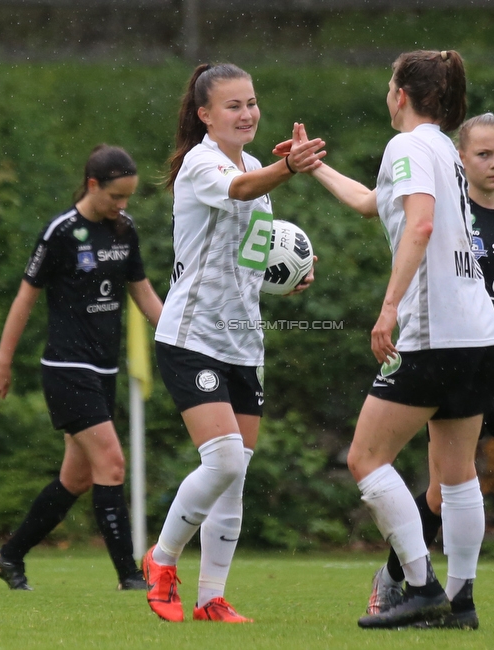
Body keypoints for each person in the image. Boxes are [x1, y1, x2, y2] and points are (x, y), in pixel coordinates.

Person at [302, 50, 494, 629]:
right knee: (458, 471)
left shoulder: (409, 146)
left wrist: (388, 308)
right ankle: (460, 603)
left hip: (433, 332)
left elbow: (419, 223)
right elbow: (373, 203)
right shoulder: (441, 147)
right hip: (478, 334)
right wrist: (313, 166)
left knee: (366, 458)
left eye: (390, 85)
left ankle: (419, 585)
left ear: (401, 94)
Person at [368, 112, 494, 621]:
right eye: (484, 154)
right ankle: (398, 577)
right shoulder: (454, 215)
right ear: (460, 158)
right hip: (464, 357)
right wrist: (481, 324)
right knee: (447, 485)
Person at [142, 63, 325, 624]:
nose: (246, 113)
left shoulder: (251, 165)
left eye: (251, 103)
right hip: (191, 336)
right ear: (204, 114)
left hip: (244, 343)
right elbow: (240, 188)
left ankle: (210, 599)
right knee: (220, 460)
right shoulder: (202, 163)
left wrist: (287, 274)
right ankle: (162, 558)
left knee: (235, 474)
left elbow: (248, 251)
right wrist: (287, 167)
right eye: (232, 106)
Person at [0, 144, 164, 592]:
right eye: (115, 197)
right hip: (66, 368)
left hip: (104, 372)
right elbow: (25, 299)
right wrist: (2, 363)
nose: (121, 206)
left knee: (77, 478)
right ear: (91, 185)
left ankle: (10, 556)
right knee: (113, 464)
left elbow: (143, 293)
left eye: (128, 198)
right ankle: (129, 576)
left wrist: (181, 340)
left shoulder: (124, 230)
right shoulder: (61, 232)